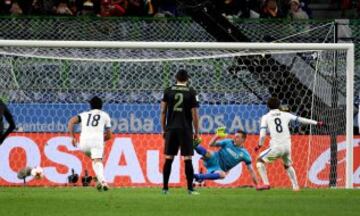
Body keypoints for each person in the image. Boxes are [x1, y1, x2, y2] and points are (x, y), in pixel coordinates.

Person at [255, 97, 323, 191]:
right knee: (287, 165)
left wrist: (259, 145)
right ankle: (295, 187)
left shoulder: (266, 117)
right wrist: (316, 123)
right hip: (287, 147)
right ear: (279, 106)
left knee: (259, 161)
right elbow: (301, 119)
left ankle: (266, 184)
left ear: (268, 106)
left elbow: (262, 135)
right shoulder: (285, 114)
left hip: (276, 148)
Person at [160, 69, 200, 195]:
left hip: (171, 128)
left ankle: (165, 189)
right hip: (185, 128)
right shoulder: (192, 92)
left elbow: (163, 111)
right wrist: (196, 132)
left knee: (169, 158)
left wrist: (163, 129)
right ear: (187, 79)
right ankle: (190, 189)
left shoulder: (168, 90)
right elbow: (195, 114)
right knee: (187, 158)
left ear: (175, 78)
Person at [67, 96, 112, 191]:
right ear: (101, 106)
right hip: (96, 142)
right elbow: (109, 135)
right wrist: (101, 139)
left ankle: (98, 180)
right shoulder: (105, 115)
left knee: (97, 160)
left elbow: (71, 122)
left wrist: (72, 137)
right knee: (98, 161)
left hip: (83, 143)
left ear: (90, 106)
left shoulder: (84, 114)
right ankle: (103, 182)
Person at [193, 128, 259, 187]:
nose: (235, 138)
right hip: (214, 158)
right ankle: (193, 144)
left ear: (243, 139)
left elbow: (251, 170)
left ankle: (197, 176)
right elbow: (211, 144)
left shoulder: (245, 154)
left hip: (219, 168)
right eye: (235, 136)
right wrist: (217, 136)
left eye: (237, 137)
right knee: (208, 153)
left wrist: (258, 185)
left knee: (223, 175)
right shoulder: (228, 142)